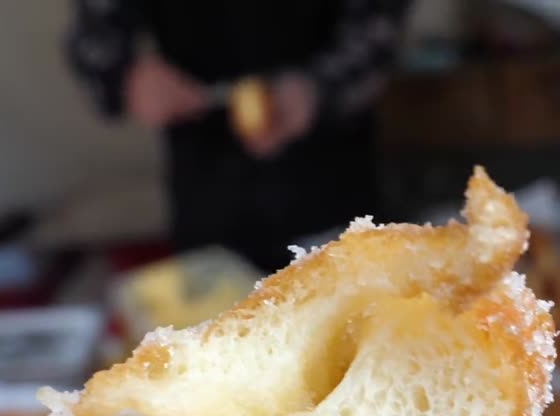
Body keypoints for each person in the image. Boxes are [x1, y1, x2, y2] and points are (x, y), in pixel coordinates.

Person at [67, 0, 411, 273]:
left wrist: (319, 87)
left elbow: (379, 26)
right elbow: (93, 39)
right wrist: (127, 74)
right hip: (205, 188)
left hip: (333, 179)